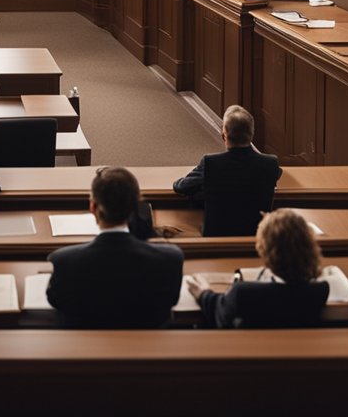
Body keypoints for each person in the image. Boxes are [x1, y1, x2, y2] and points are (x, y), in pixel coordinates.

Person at [46, 167, 184, 329]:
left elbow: (56, 300)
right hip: (148, 350)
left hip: (84, 350)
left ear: (93, 207)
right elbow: (171, 300)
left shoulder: (64, 261)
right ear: (136, 206)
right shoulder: (171, 259)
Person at [187, 208, 328, 329]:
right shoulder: (321, 289)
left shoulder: (241, 293)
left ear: (266, 251)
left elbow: (219, 311)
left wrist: (203, 293)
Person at [172, 105, 282, 236]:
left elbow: (182, 187)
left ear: (224, 135)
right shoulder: (270, 164)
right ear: (252, 134)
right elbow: (276, 173)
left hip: (216, 236)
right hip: (257, 235)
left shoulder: (210, 163)